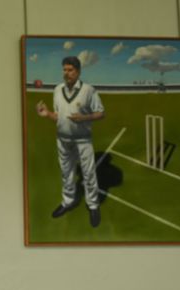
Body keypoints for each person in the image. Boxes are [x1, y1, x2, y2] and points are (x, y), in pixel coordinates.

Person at [36, 56, 105, 227]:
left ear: (78, 71)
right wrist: (47, 114)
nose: (66, 73)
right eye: (64, 70)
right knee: (66, 173)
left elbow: (101, 113)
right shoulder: (57, 90)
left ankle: (93, 205)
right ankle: (67, 201)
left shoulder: (88, 90)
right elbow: (58, 117)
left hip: (83, 139)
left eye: (70, 70)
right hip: (63, 139)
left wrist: (84, 117)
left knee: (88, 174)